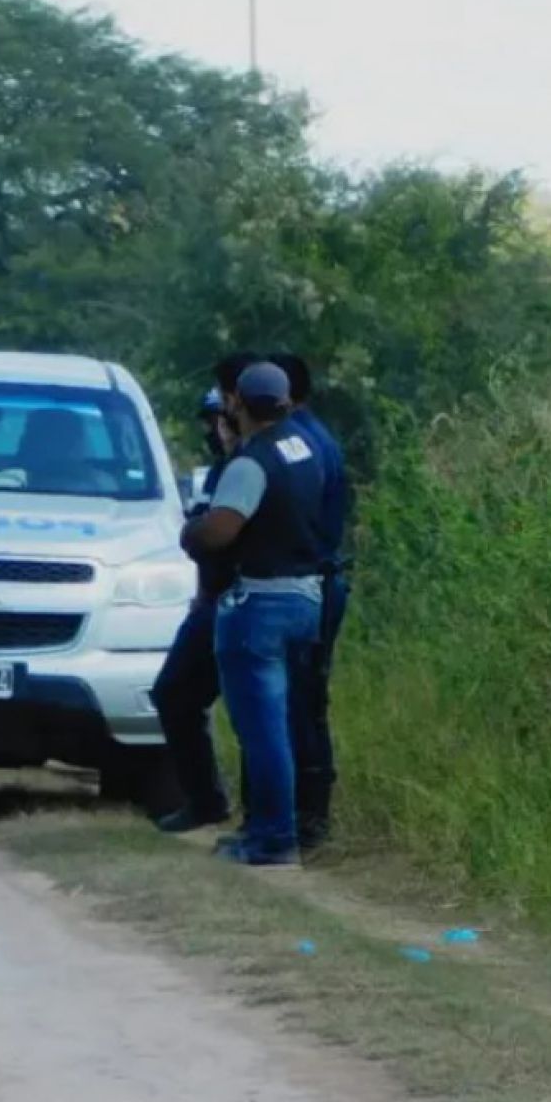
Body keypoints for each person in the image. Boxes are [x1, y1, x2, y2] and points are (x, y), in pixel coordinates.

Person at [180, 361, 327, 866]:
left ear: (238, 404)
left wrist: (191, 531)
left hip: (260, 603)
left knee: (261, 731)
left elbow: (221, 531)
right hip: (305, 599)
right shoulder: (302, 447)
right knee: (282, 725)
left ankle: (271, 838)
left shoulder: (250, 463)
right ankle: (276, 830)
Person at [150, 375, 246, 833]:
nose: (215, 430)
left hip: (239, 602)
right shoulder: (220, 469)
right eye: (209, 422)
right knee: (174, 694)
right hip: (209, 601)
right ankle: (205, 799)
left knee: (250, 708)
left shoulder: (249, 466)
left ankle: (229, 807)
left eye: (220, 420)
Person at [269, 353, 350, 851]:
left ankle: (308, 816)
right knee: (305, 700)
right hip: (321, 580)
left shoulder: (296, 445)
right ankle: (309, 812)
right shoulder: (315, 438)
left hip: (308, 581)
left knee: (299, 701)